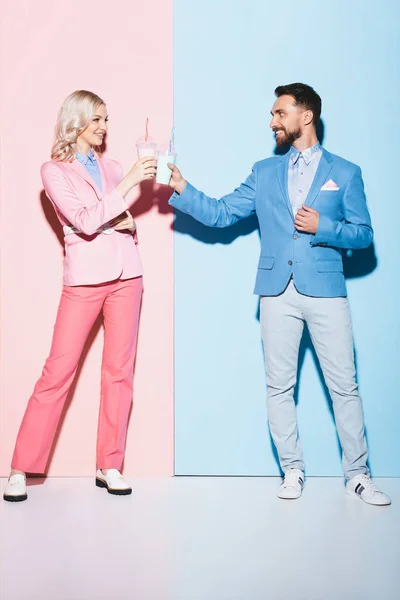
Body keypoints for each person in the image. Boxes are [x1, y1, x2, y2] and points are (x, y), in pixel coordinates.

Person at [167, 83, 390, 506]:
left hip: (326, 291)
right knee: (279, 387)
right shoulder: (264, 172)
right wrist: (182, 187)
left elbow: (363, 236)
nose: (272, 122)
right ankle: (292, 469)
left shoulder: (345, 172)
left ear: (305, 116)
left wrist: (323, 227)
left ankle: (357, 475)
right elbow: (220, 212)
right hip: (275, 292)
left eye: (279, 113)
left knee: (345, 386)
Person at [3, 90, 156, 502]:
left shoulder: (113, 165)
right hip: (85, 280)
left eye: (107, 120)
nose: (105, 128)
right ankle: (21, 468)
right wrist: (120, 204)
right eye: (97, 120)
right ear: (77, 122)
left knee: (119, 373)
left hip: (128, 276)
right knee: (57, 373)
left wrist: (117, 217)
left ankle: (110, 464)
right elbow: (86, 221)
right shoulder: (54, 170)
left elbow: (121, 221)